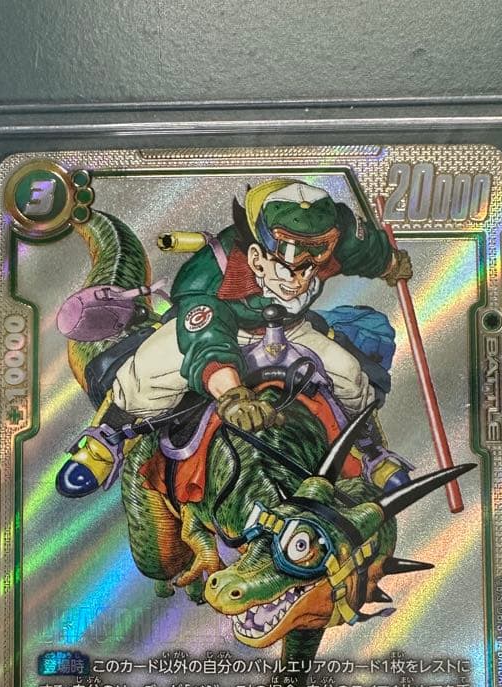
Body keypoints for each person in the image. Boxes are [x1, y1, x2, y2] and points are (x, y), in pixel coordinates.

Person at [58, 179, 413, 497]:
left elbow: (367, 251)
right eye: (290, 258)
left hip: (292, 330)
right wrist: (232, 396)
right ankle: (104, 442)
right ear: (257, 257)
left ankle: (370, 451)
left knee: (351, 377)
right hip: (220, 332)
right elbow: (207, 339)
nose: (301, 278)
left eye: (316, 257)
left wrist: (390, 264)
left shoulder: (337, 238)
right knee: (143, 376)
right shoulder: (210, 273)